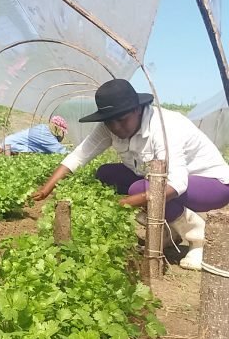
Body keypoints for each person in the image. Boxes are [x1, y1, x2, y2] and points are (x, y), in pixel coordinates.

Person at [33, 79, 229, 270]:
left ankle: (197, 239)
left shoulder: (163, 126)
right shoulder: (108, 127)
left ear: (137, 109)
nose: (116, 127)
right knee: (106, 174)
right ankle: (169, 233)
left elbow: (177, 183)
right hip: (161, 180)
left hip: (213, 186)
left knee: (141, 190)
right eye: (110, 122)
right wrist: (47, 187)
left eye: (122, 119)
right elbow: (80, 155)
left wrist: (125, 203)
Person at [3, 116, 69, 155]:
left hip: (12, 146)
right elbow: (59, 150)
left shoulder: (44, 129)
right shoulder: (44, 133)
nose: (61, 134)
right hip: (8, 146)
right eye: (61, 131)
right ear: (55, 127)